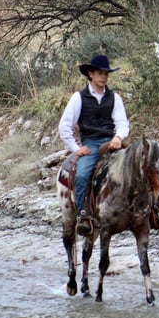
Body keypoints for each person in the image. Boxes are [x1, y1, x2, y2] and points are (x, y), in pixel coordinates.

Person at [58, 54, 130, 235]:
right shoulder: (78, 98)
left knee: (139, 165)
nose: (104, 77)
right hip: (90, 143)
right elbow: (65, 126)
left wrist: (118, 137)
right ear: (90, 74)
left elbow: (122, 123)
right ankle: (83, 214)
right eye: (100, 73)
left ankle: (149, 210)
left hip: (112, 141)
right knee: (82, 174)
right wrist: (76, 148)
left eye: (106, 73)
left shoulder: (115, 98)